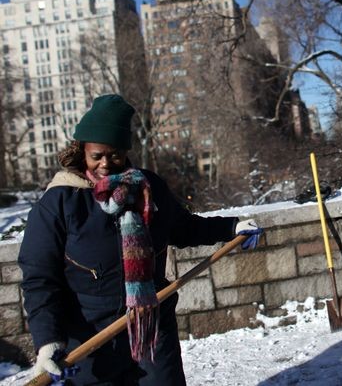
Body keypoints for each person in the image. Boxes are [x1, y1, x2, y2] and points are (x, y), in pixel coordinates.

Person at [18, 94, 263, 385]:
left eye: (114, 154)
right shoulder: (61, 200)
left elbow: (184, 228)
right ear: (82, 151)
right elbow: (39, 276)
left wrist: (231, 228)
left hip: (152, 329)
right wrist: (48, 341)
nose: (105, 164)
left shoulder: (148, 189)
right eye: (97, 155)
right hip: (90, 338)